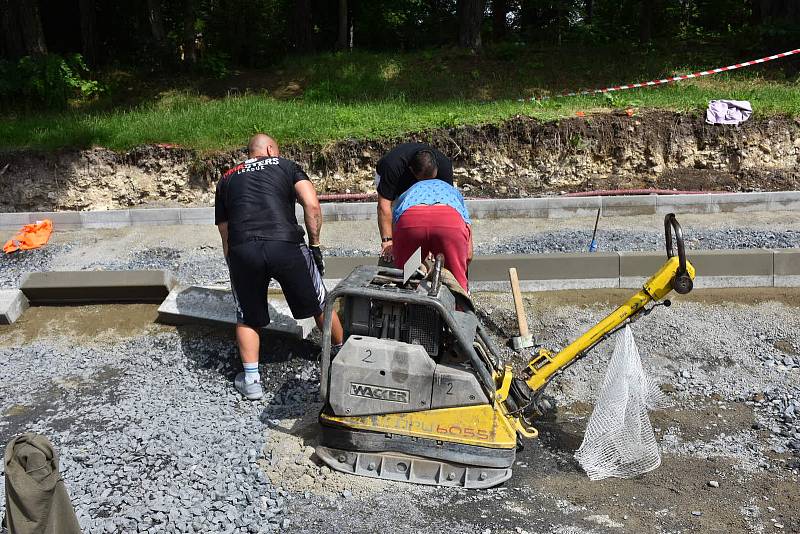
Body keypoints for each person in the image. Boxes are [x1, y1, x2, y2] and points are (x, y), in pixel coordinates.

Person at [215, 133, 344, 400]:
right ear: (271, 149)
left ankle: (251, 381)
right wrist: (315, 245)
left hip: (244, 249)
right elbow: (311, 204)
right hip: (285, 244)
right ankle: (342, 356)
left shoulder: (226, 178)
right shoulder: (285, 165)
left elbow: (224, 229)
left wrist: (232, 262)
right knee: (321, 302)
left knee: (247, 315)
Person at [374, 143, 453, 262]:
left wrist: (433, 244)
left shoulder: (444, 166)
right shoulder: (392, 167)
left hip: (419, 178)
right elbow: (384, 207)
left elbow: (445, 206)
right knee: (399, 219)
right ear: (412, 171)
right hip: (396, 181)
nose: (425, 186)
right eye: (423, 181)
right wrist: (388, 241)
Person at [392, 176, 473, 291]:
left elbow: (396, 225)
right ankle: (460, 305)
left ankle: (403, 301)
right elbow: (468, 255)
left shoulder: (409, 191)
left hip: (411, 219)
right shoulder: (452, 191)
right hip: (449, 219)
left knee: (404, 276)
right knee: (457, 282)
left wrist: (416, 257)